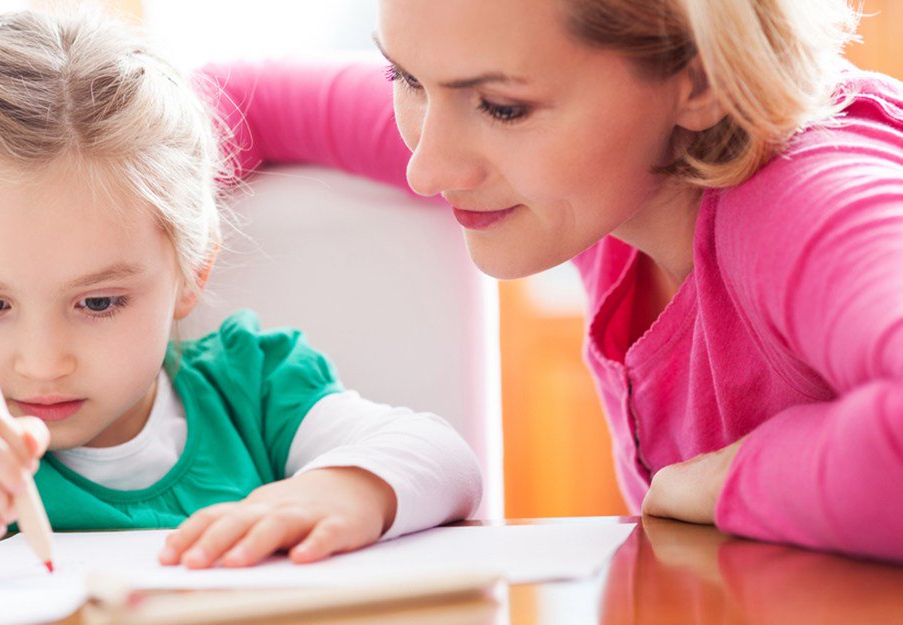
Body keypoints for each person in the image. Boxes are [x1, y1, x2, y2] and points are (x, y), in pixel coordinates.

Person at [198, 0, 903, 561]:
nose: (428, 168)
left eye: (502, 108)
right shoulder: (608, 180)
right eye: (405, 79)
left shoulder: (806, 199)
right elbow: (235, 99)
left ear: (704, 78)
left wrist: (723, 482)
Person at [0, 9, 482, 569]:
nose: (42, 360)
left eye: (98, 302)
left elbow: (447, 460)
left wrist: (347, 488)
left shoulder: (254, 389)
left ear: (192, 272)